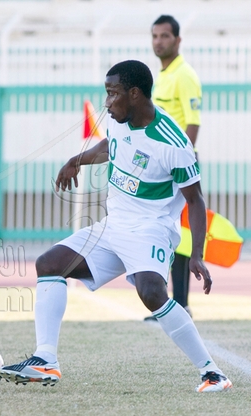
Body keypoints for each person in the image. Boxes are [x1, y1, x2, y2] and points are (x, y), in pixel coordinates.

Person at [0, 60, 232, 392]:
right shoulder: (119, 120)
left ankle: (212, 373)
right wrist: (77, 160)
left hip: (151, 229)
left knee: (151, 292)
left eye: (112, 93)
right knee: (49, 264)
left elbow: (195, 201)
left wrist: (196, 254)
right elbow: (111, 145)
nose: (107, 102)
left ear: (134, 94)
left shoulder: (174, 144)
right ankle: (45, 360)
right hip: (113, 227)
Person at [147, 14, 203, 320]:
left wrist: (182, 164)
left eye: (165, 36)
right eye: (155, 36)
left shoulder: (185, 75)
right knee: (163, 231)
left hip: (181, 167)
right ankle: (166, 305)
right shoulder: (162, 76)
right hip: (162, 168)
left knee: (180, 235)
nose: (159, 41)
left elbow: (192, 124)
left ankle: (181, 304)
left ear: (178, 40)